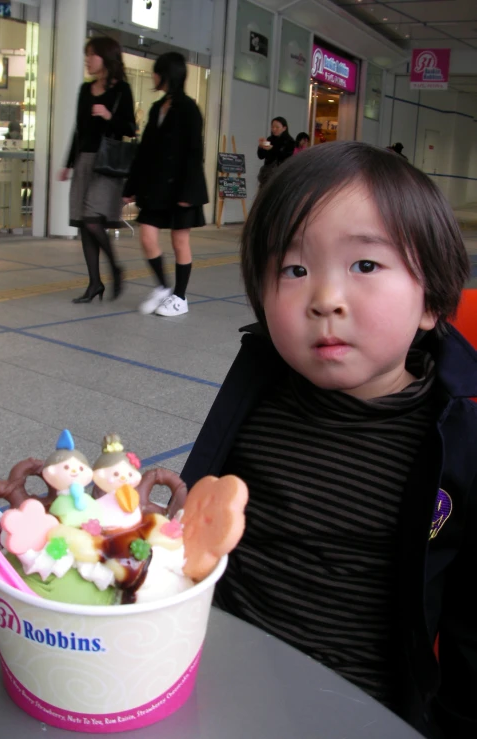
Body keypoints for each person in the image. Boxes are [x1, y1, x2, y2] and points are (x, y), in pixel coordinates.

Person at [181, 141, 476, 739]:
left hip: (352, 710)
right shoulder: (258, 391)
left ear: (432, 301)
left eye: (365, 265)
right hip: (207, 678)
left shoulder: (456, 444)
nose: (325, 300)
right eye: (294, 269)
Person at [123, 52, 208, 317]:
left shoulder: (189, 108)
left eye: (156, 71)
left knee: (179, 242)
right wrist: (131, 187)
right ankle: (162, 286)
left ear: (167, 74)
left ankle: (180, 297)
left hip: (181, 187)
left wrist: (189, 191)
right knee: (147, 235)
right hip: (155, 187)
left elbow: (195, 152)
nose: (153, 76)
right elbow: (144, 151)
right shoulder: (157, 107)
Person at [59, 36, 136, 304]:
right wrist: (68, 163)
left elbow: (130, 129)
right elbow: (78, 130)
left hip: (106, 165)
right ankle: (94, 283)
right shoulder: (84, 89)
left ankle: (114, 266)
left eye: (91, 55)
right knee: (84, 222)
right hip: (84, 160)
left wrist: (108, 116)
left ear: (106, 57)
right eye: (86, 55)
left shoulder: (122, 90)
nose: (87, 60)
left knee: (92, 218)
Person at [257, 117, 295, 187]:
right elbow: (261, 156)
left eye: (277, 127)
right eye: (272, 127)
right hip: (268, 174)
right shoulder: (270, 139)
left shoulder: (289, 141)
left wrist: (272, 149)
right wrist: (261, 147)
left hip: (282, 174)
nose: (274, 129)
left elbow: (285, 156)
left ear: (284, 128)